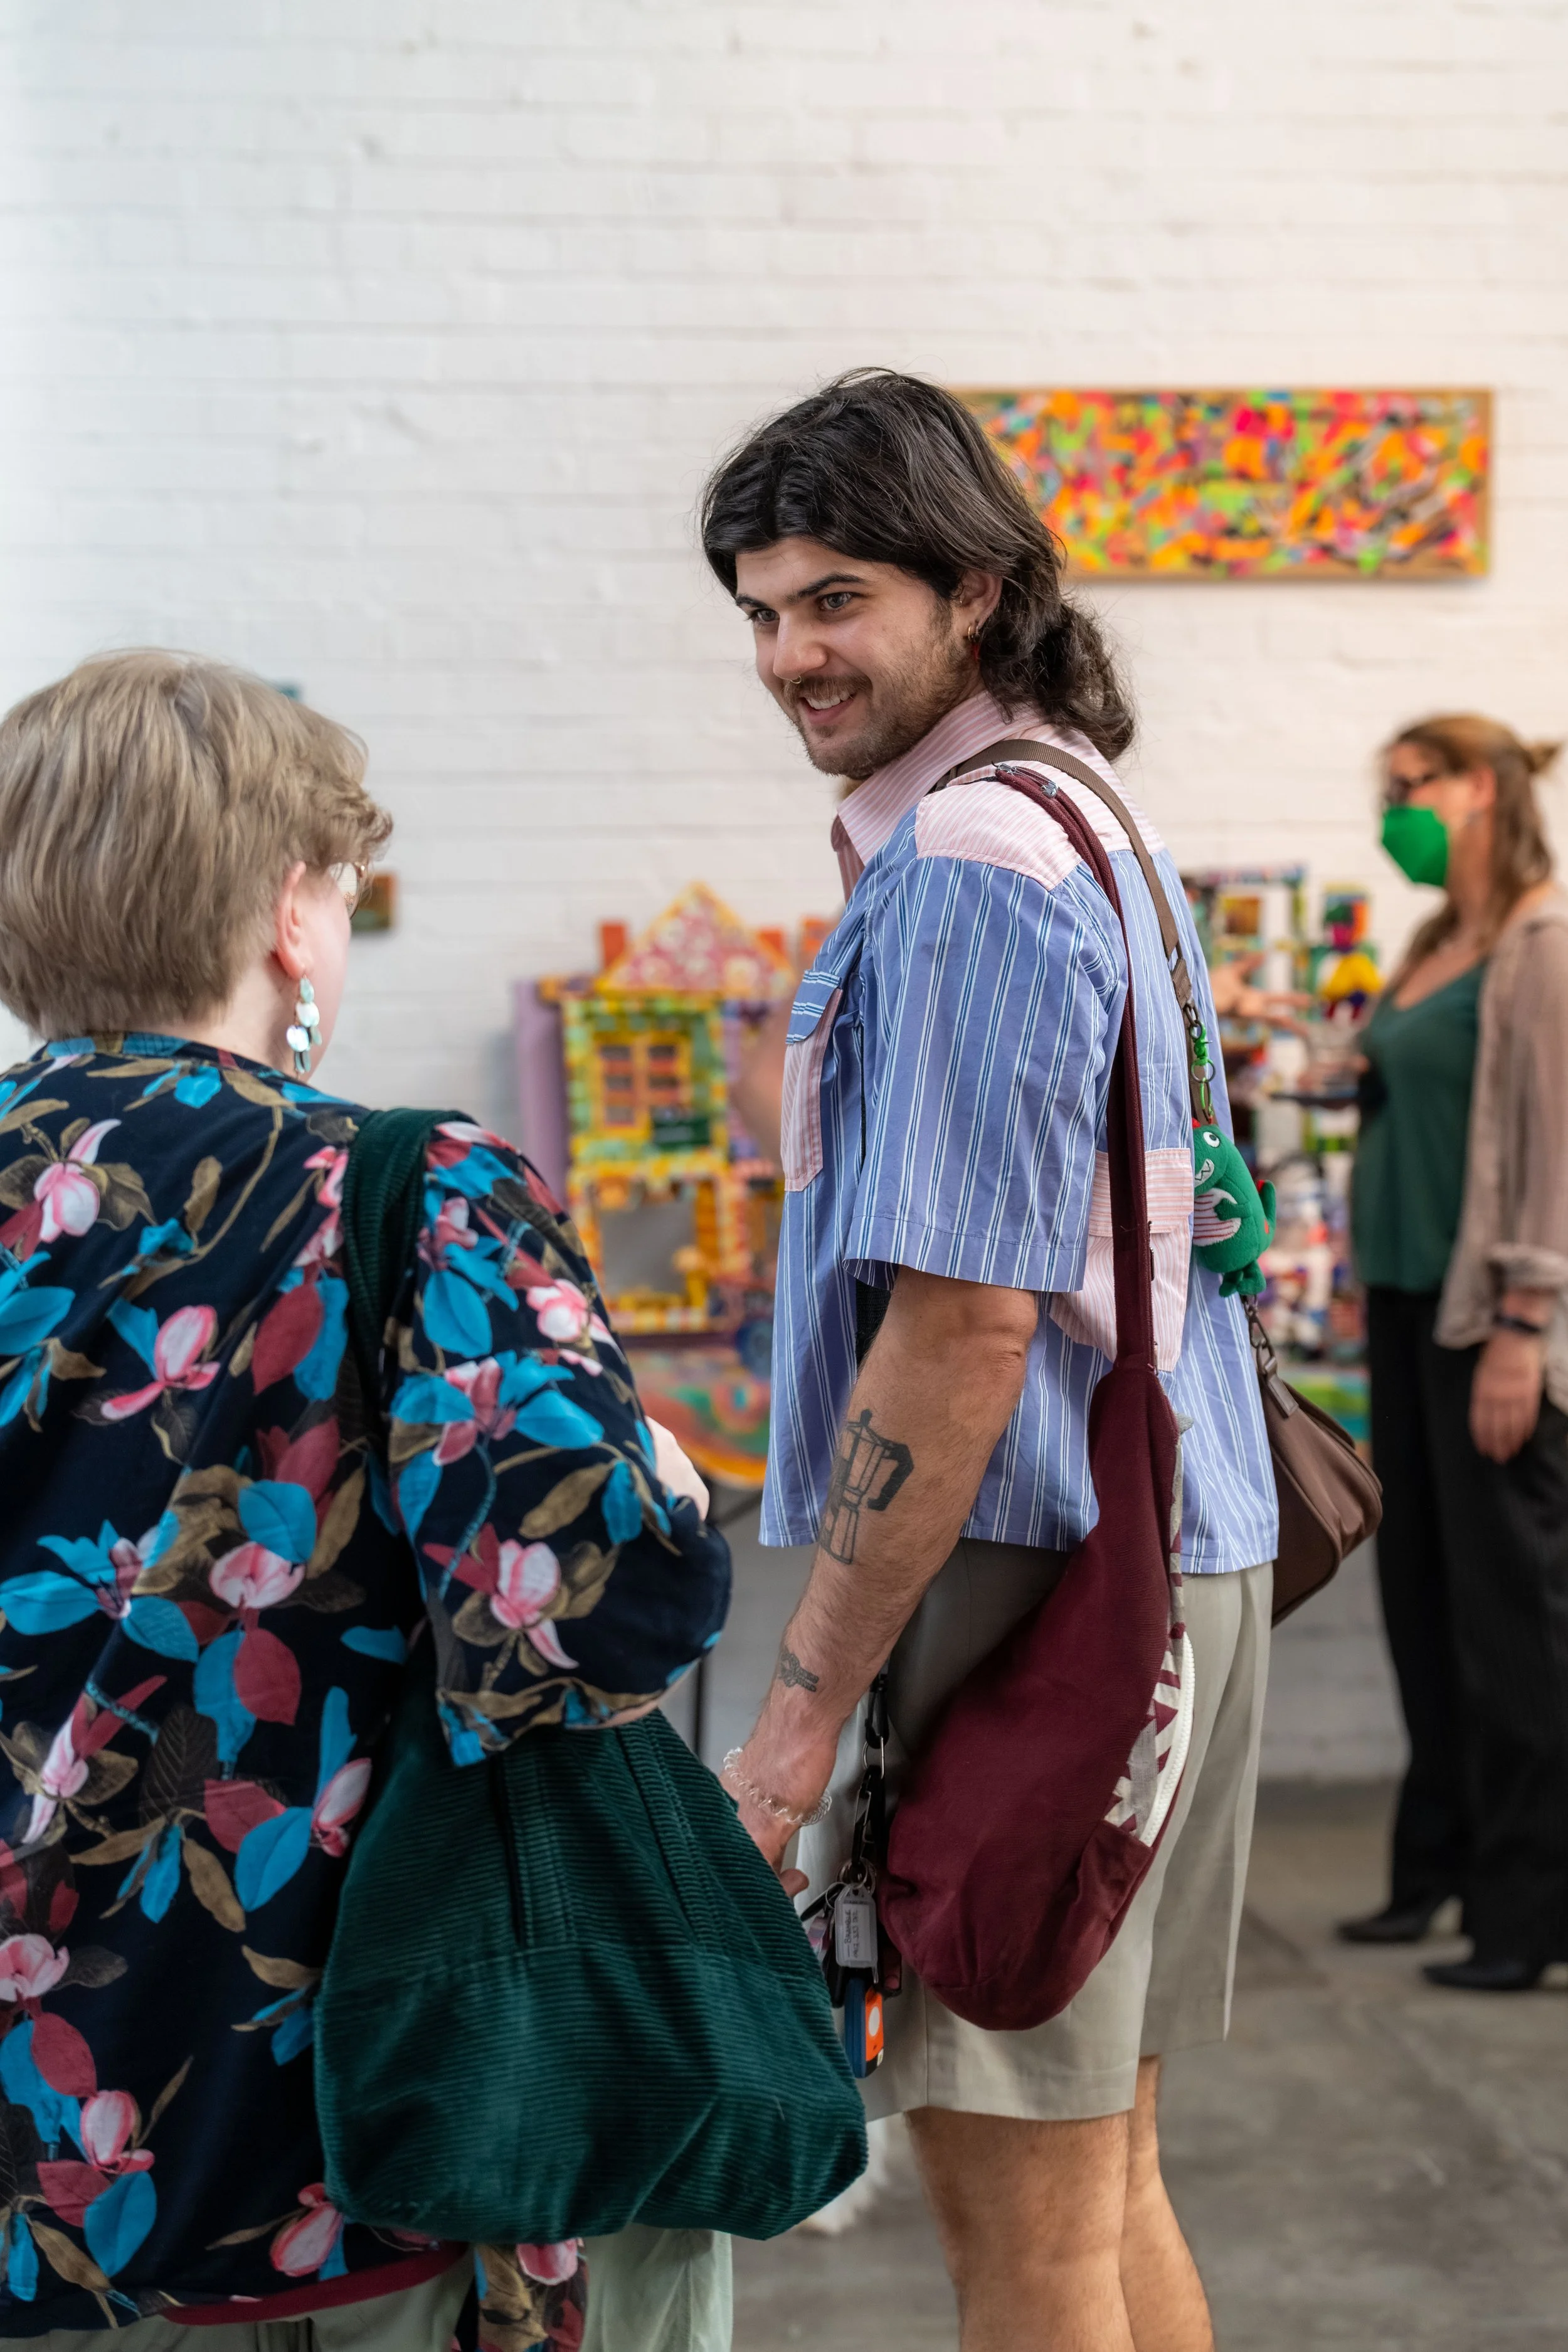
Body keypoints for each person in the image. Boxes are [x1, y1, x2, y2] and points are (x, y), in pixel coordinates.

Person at [0, 652, 732, 2351]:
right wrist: (670, 1497)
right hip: (349, 2105)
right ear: (286, 914)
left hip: (45, 2167)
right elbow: (589, 1606)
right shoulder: (407, 1191)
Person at [699, 369, 1278, 2352]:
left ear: (980, 585)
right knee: (1097, 2174)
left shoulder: (967, 860)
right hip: (1155, 1553)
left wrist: (790, 1729)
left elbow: (962, 1328)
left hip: (1031, 1577)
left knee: (1017, 2228)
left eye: (836, 597)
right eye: (762, 608)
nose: (790, 654)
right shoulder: (1077, 811)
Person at [1339, 714, 1568, 1991]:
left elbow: (1551, 1152)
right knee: (1419, 1601)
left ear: (1479, 790)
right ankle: (1431, 1870)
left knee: (1510, 1623)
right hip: (1396, 1309)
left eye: (1409, 790)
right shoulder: (1435, 945)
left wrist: (1522, 1329)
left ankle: (1525, 1916)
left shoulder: (1538, 943)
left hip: (1482, 1322)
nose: (1392, 815)